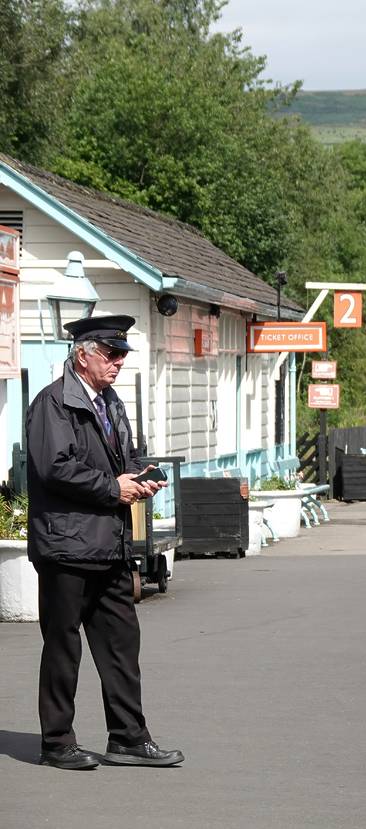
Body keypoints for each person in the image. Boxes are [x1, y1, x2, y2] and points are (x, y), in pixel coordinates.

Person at [26, 315, 184, 770]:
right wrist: (114, 488)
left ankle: (129, 738)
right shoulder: (53, 403)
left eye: (122, 355)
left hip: (109, 544)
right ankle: (57, 743)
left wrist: (141, 476)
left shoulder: (109, 400)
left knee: (121, 644)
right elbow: (53, 468)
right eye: (111, 354)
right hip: (66, 546)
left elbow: (124, 456)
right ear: (83, 354)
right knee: (63, 647)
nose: (119, 362)